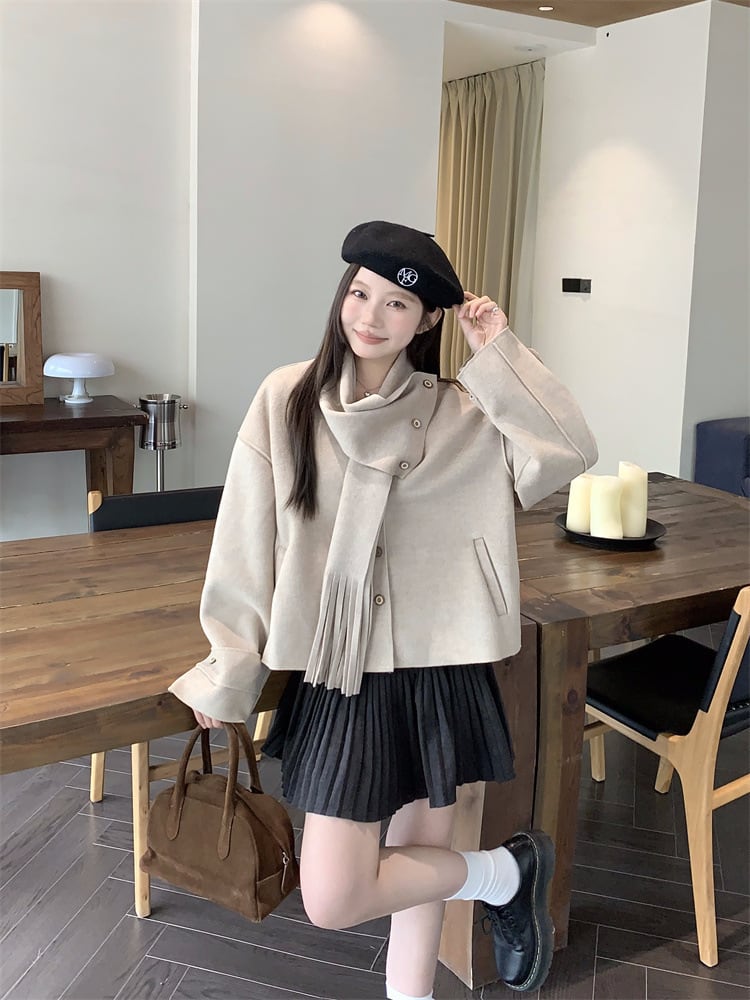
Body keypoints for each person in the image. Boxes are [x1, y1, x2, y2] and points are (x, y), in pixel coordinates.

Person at [169, 220, 598, 998]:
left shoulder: (465, 410)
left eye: (397, 304)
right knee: (334, 897)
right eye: (360, 293)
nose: (370, 316)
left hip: (441, 666)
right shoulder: (287, 398)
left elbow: (567, 451)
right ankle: (505, 874)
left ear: (427, 320)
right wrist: (230, 665)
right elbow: (244, 543)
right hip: (341, 671)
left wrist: (498, 353)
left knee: (420, 887)